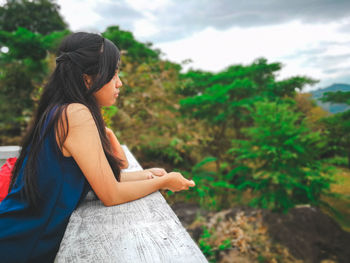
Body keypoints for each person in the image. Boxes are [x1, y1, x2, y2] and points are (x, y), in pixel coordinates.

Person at [0, 32, 195, 263]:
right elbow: (110, 194)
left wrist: (147, 175)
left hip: (18, 236)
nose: (119, 82)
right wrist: (164, 182)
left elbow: (102, 177)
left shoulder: (60, 110)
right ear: (87, 78)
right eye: (113, 74)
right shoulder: (75, 114)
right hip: (18, 244)